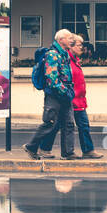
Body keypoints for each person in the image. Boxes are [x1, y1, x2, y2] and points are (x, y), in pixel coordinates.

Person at [38, 36, 103, 158]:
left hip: (79, 100)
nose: (81, 48)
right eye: (79, 45)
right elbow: (61, 80)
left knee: (81, 125)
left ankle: (86, 150)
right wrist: (68, 95)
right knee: (57, 125)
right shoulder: (67, 62)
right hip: (70, 99)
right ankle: (43, 148)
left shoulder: (74, 61)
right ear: (71, 47)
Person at [24, 28, 77, 160]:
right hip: (54, 95)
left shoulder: (64, 53)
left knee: (69, 123)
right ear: (61, 40)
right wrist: (64, 91)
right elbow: (52, 78)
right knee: (50, 123)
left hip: (65, 93)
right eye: (69, 37)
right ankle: (31, 146)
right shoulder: (53, 54)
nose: (72, 40)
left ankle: (68, 153)